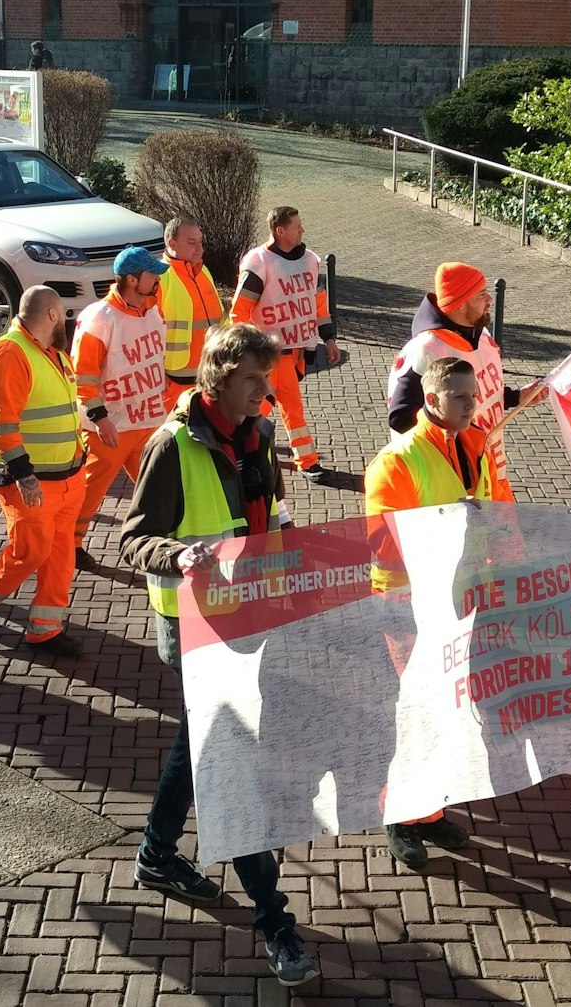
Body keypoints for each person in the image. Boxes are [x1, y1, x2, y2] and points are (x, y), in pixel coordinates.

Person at [118, 322, 318, 987]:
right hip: (194, 624)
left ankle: (155, 853)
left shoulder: (258, 434)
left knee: (195, 742)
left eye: (269, 378)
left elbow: (273, 514)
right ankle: (274, 919)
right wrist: (177, 556)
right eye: (256, 379)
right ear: (219, 377)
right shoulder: (172, 445)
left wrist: (296, 564)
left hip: (251, 612)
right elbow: (133, 535)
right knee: (228, 757)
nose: (268, 390)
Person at [364, 356, 490, 870]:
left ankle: (429, 808)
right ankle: (401, 812)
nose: (471, 404)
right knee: (419, 712)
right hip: (406, 603)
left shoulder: (471, 444)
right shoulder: (397, 462)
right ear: (431, 401)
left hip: (458, 598)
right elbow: (382, 545)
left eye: (473, 395)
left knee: (448, 708)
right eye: (459, 397)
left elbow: (490, 511)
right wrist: (451, 526)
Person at [0, 284, 85, 652]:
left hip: (67, 475)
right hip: (29, 479)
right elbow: (1, 424)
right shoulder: (9, 353)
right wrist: (25, 475)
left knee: (61, 552)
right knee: (30, 551)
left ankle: (45, 629)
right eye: (63, 313)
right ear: (51, 314)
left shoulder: (54, 355)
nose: (65, 319)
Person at [385, 261, 544, 500]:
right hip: (461, 481)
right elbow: (401, 417)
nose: (490, 299)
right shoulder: (427, 349)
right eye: (481, 295)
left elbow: (483, 390)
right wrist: (457, 452)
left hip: (492, 466)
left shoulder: (482, 337)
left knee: (508, 535)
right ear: (460, 303)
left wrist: (515, 397)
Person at [71, 245, 171, 570]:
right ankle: (69, 545)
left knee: (156, 484)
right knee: (91, 491)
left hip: (147, 420)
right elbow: (82, 375)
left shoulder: (154, 309)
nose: (157, 279)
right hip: (110, 426)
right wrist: (100, 419)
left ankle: (161, 538)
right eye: (151, 275)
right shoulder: (99, 318)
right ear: (131, 279)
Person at [230, 206, 341, 480]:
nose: (302, 230)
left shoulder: (311, 260)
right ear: (280, 231)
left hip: (293, 353)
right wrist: (246, 350)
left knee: (280, 407)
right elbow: (239, 311)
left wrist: (329, 339)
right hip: (268, 355)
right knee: (265, 408)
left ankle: (301, 460)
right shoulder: (260, 262)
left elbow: (318, 305)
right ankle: (244, 456)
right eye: (297, 226)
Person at [158, 216, 224, 404]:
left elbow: (221, 319)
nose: (199, 248)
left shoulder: (203, 271)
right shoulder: (161, 278)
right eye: (192, 242)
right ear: (172, 243)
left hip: (211, 373)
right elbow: (148, 333)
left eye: (201, 241)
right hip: (176, 380)